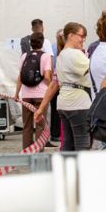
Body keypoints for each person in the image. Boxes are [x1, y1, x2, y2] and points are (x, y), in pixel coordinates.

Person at [35, 22, 93, 151]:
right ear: (71, 35)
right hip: (78, 103)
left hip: (63, 105)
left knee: (67, 144)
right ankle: (81, 171)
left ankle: (65, 170)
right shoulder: (75, 54)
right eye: (82, 36)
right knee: (82, 143)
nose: (83, 40)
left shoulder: (61, 56)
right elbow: (93, 69)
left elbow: (54, 84)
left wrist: (41, 108)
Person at [13, 31, 53, 148]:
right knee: (40, 125)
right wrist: (51, 87)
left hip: (26, 96)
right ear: (42, 43)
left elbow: (20, 76)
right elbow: (46, 76)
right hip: (41, 95)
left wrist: (16, 94)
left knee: (27, 125)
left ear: (30, 43)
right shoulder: (45, 56)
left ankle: (26, 150)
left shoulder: (24, 56)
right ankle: (38, 153)